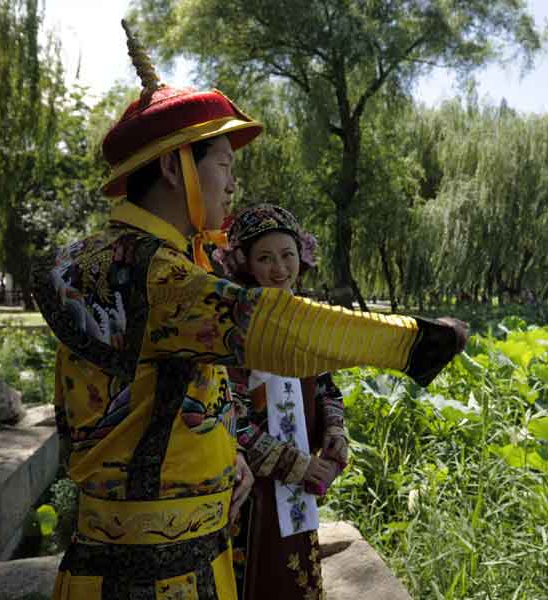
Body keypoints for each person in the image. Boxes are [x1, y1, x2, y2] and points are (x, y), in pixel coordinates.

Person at [30, 21, 467, 600]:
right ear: (173, 168)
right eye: (223, 165)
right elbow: (273, 327)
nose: (233, 185)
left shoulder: (121, 260)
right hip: (154, 579)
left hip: (171, 553)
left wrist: (227, 453)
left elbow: (176, 392)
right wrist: (418, 339)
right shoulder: (152, 274)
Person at [214, 204, 343, 599]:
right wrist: (296, 466)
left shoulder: (307, 321)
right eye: (265, 258)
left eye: (287, 255)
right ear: (246, 265)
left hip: (301, 484)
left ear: (301, 258)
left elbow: (326, 388)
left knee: (297, 577)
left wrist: (336, 430)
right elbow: (228, 416)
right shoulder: (232, 330)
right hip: (253, 490)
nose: (279, 269)